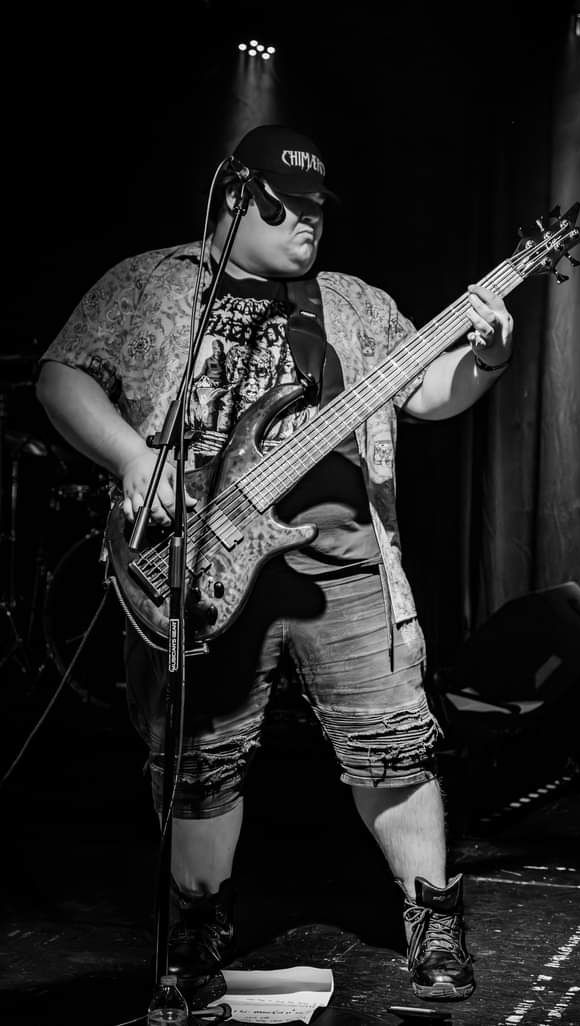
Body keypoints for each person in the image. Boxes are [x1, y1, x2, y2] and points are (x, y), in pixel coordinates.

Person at [36, 124, 514, 1004]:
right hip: (198, 561)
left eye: (316, 209)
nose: (307, 222)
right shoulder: (149, 283)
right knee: (201, 761)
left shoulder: (353, 302)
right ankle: (194, 937)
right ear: (233, 195)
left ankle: (434, 923)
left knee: (392, 743)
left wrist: (485, 357)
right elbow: (61, 377)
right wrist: (135, 459)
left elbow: (425, 392)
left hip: (343, 561)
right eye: (284, 206)